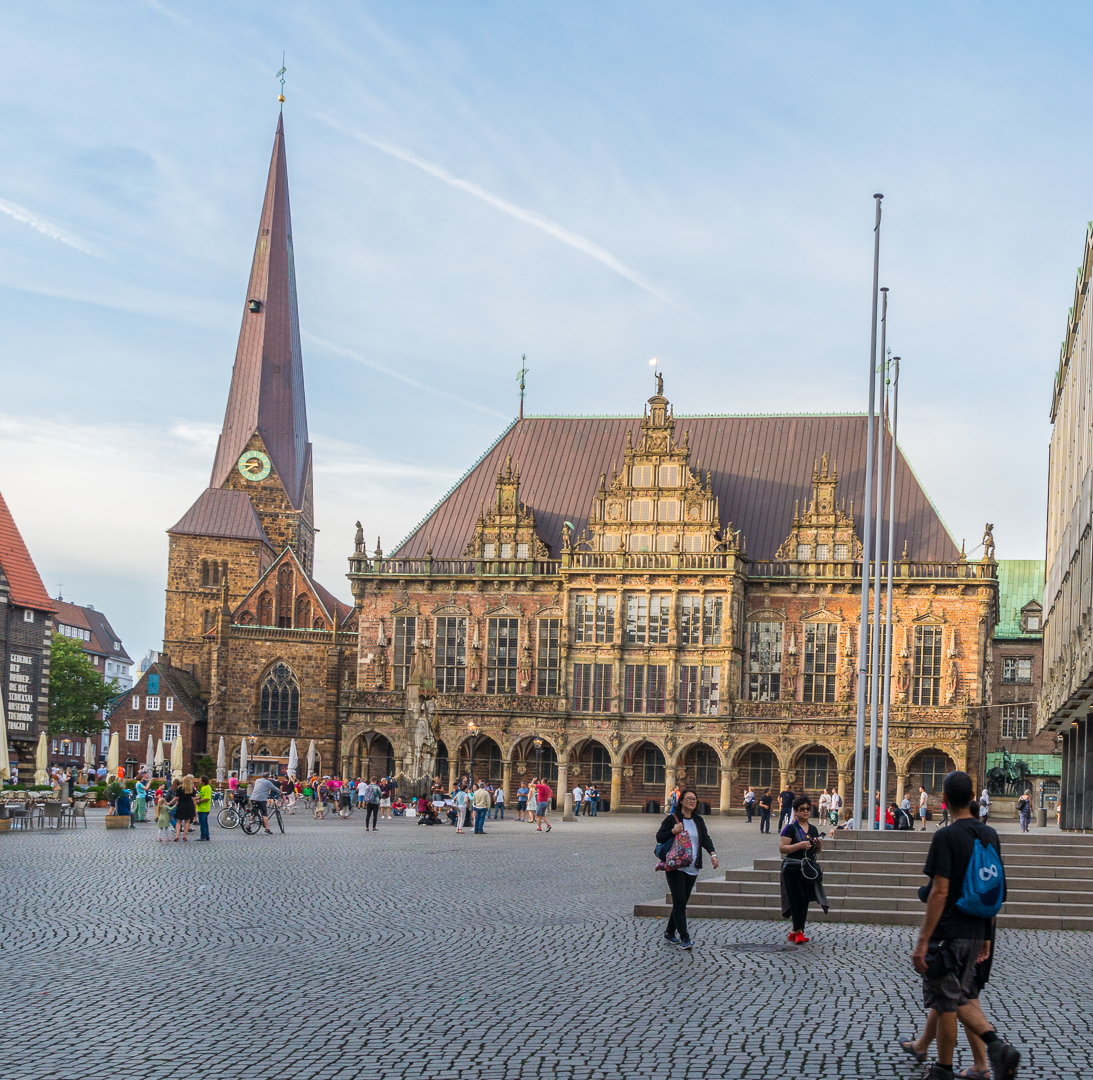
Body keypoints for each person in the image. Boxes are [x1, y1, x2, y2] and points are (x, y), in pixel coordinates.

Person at [904, 770, 1020, 1080]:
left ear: (944, 799)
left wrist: (923, 940)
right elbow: (993, 887)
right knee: (954, 998)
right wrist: (987, 935)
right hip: (977, 930)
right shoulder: (989, 834)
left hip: (949, 933)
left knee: (949, 999)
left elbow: (940, 892)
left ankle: (991, 1049)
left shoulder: (945, 836)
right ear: (971, 797)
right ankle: (947, 1066)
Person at [655, 787, 719, 951]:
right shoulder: (672, 819)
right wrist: (673, 831)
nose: (692, 801)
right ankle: (685, 938)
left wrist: (713, 854)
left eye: (694, 799)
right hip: (676, 866)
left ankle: (670, 932)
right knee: (679, 903)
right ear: (681, 801)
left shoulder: (698, 820)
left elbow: (705, 839)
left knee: (681, 902)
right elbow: (659, 837)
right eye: (689, 798)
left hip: (692, 866)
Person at [779, 795, 827, 943]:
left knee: (805, 900)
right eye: (802, 809)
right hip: (792, 868)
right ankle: (799, 931)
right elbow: (782, 848)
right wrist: (799, 845)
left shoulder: (813, 828)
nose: (805, 811)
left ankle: (795, 931)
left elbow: (817, 851)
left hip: (807, 869)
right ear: (796, 811)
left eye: (808, 809)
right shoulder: (790, 828)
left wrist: (818, 845)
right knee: (796, 899)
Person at [173, 775, 197, 841]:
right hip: (189, 805)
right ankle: (184, 836)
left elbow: (176, 798)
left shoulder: (180, 788)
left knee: (178, 821)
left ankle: (177, 836)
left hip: (181, 805)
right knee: (187, 821)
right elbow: (194, 799)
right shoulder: (192, 789)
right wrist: (195, 808)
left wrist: (170, 802)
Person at [195, 775, 213, 841]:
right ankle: (206, 836)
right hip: (201, 808)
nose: (198, 781)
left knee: (202, 823)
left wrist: (198, 800)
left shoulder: (206, 788)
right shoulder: (203, 787)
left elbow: (207, 798)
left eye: (200, 779)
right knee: (204, 822)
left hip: (204, 808)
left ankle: (203, 836)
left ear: (203, 781)